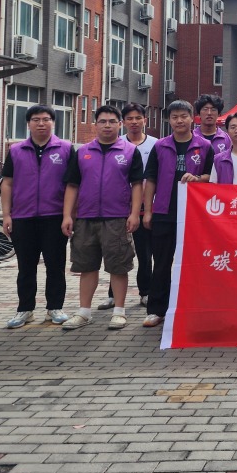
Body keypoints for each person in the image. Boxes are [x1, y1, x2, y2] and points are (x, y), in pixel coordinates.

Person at [59, 106, 143, 331]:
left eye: (112, 121)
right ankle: (84, 312)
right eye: (103, 121)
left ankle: (119, 312)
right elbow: (72, 186)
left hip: (117, 218)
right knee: (86, 266)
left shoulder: (130, 151)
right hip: (85, 218)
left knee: (118, 266)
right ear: (95, 124)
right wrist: (67, 215)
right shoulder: (82, 152)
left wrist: (134, 213)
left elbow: (137, 185)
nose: (107, 125)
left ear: (120, 124)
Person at [142, 100, 215, 328]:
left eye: (183, 116)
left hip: (193, 215)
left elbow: (211, 177)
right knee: (161, 263)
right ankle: (156, 310)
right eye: (174, 117)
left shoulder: (205, 146)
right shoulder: (160, 146)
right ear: (169, 120)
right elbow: (150, 180)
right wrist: (148, 211)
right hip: (164, 213)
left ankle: (193, 307)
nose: (179, 120)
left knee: (194, 264)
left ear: (192, 118)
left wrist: (198, 179)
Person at [0, 105, 73, 329]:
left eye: (46, 119)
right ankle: (25, 309)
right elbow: (7, 183)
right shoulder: (16, 150)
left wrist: (68, 215)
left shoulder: (66, 149)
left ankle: (55, 308)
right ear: (28, 123)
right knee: (26, 267)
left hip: (54, 217)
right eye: (36, 119)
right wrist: (6, 215)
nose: (41, 123)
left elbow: (72, 185)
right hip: (23, 217)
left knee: (55, 265)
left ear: (53, 122)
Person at [99, 103, 156, 311]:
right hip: (119, 209)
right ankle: (113, 295)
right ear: (123, 122)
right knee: (115, 253)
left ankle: (146, 292)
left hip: (144, 208)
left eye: (138, 118)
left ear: (145, 120)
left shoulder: (156, 145)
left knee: (145, 254)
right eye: (129, 118)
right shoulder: (117, 143)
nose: (134, 122)